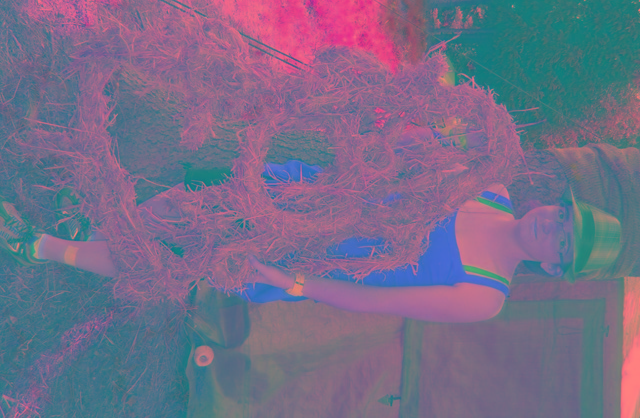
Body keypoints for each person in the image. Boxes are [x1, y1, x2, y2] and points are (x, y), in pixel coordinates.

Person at [0, 134, 624, 323]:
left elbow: (376, 302)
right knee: (179, 205)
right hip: (307, 197)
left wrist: (293, 284)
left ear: (555, 266)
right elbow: (403, 163)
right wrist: (411, 134)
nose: (552, 228)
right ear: (555, 204)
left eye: (563, 244)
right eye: (563, 218)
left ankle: (44, 248)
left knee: (177, 259)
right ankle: (96, 225)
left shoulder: (485, 296)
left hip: (304, 258)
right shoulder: (489, 188)